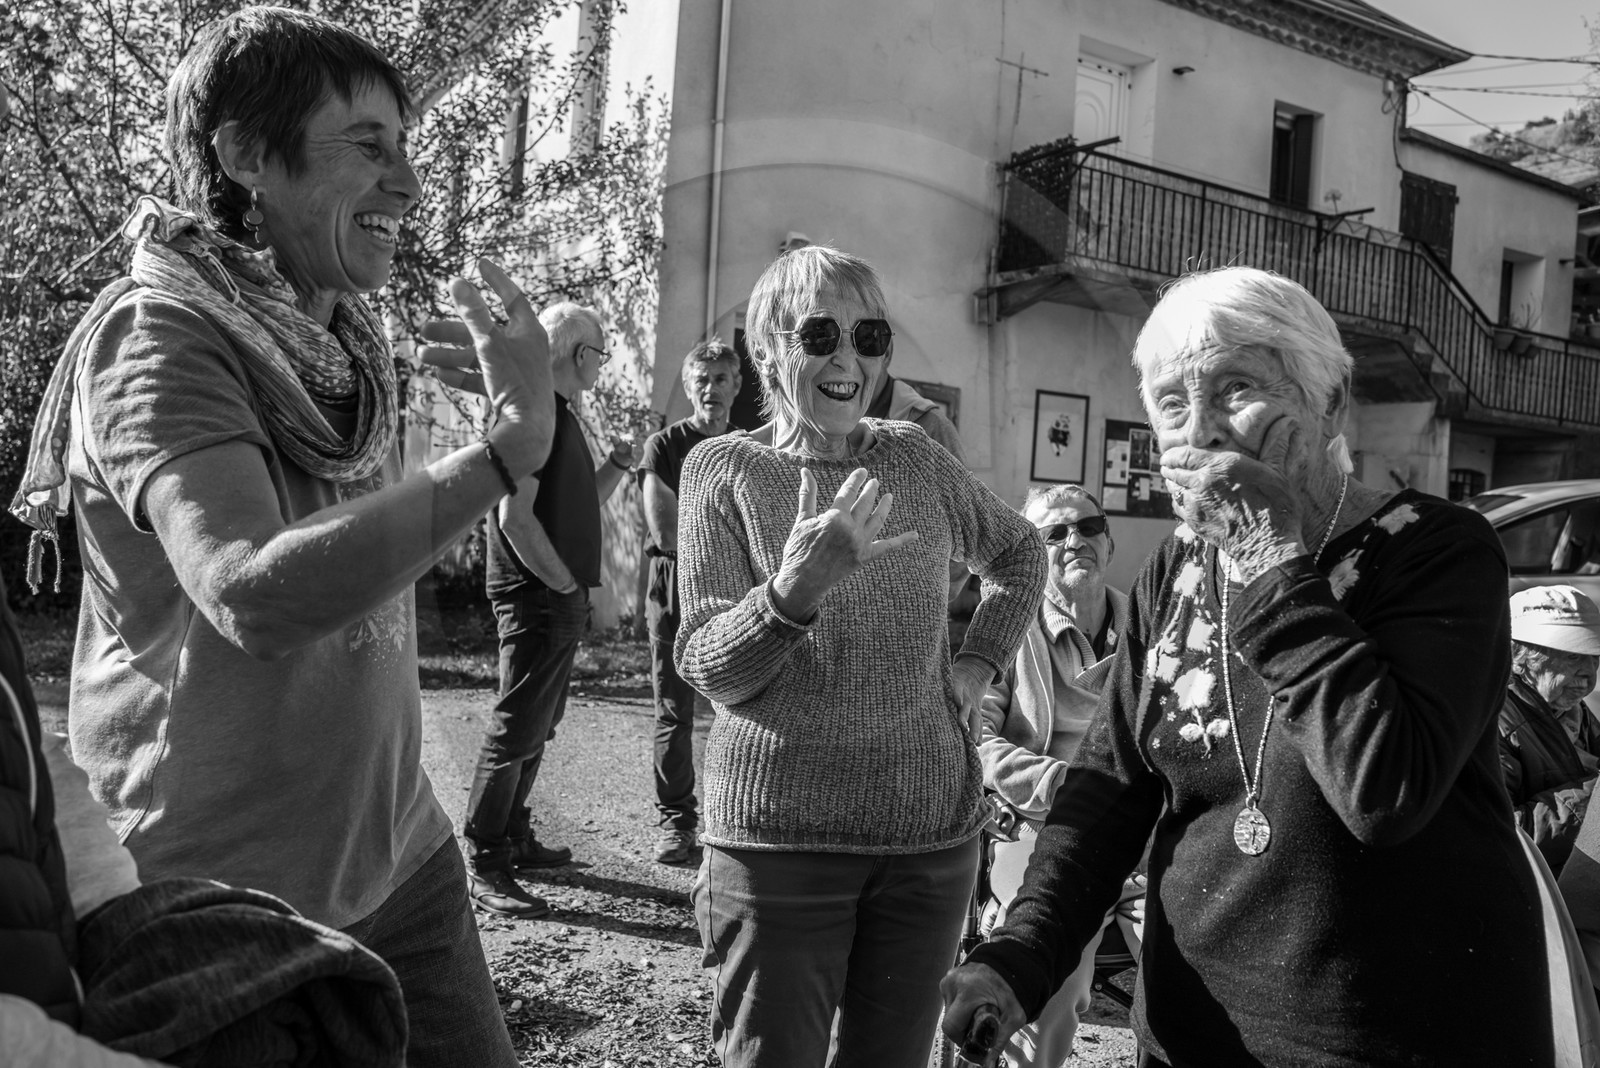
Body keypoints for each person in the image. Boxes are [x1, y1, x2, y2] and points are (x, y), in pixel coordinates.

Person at [10, 8, 556, 1066]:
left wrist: (523, 443)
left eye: (407, 146)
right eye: (368, 145)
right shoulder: (154, 340)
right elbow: (249, 593)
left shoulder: (345, 340)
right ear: (247, 157)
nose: (407, 183)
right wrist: (492, 456)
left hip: (402, 854)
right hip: (226, 900)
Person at [942, 266, 1553, 1066]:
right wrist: (1022, 951)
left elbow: (1385, 790)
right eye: (1170, 402)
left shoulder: (1438, 550)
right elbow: (1113, 787)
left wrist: (1270, 554)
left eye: (1234, 390)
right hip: (1196, 1036)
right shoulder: (1174, 570)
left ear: (1328, 400)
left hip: (1393, 1034)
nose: (1198, 430)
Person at [674, 244, 1046, 1068]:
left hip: (927, 843)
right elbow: (707, 666)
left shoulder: (913, 457)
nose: (849, 357)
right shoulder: (723, 468)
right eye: (820, 334)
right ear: (767, 348)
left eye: (870, 336)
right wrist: (794, 591)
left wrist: (977, 665)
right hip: (779, 847)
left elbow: (1023, 555)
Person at [465, 302, 637, 916]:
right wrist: (564, 585)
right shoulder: (535, 413)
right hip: (538, 593)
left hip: (555, 593)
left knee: (539, 722)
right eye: (600, 352)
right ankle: (486, 860)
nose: (602, 363)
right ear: (574, 353)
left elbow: (579, 502)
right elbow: (514, 517)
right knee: (517, 723)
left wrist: (616, 465)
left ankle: (511, 835)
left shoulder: (558, 415)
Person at [977, 484, 1144, 1068]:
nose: (1075, 540)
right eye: (1054, 534)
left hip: (1142, 838)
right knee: (1053, 979)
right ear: (1033, 551)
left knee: (1211, 962)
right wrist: (1056, 784)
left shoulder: (1153, 632)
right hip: (1043, 830)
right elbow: (976, 738)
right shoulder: (1007, 629)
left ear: (1109, 538)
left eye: (1088, 526)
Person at [638, 337, 741, 865]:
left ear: (736, 385)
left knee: (739, 710)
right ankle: (676, 822)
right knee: (675, 713)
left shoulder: (745, 448)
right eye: (701, 380)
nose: (711, 389)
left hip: (732, 595)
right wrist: (728, 535)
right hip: (673, 590)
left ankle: (732, 818)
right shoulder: (663, 446)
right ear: (688, 387)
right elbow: (667, 530)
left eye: (721, 378)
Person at [1501, 585, 1600, 873]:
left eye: (1595, 657)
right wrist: (1593, 799)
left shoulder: (1567, 707)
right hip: (1534, 897)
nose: (1589, 674)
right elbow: (1502, 833)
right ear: (1524, 656)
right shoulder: (1493, 721)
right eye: (1573, 656)